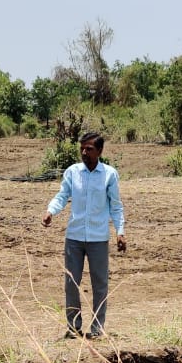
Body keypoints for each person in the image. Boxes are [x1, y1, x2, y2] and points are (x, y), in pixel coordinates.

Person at [42, 132, 126, 339]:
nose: (84, 152)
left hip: (98, 237)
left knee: (100, 284)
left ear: (99, 151)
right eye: (82, 148)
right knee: (71, 283)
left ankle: (97, 328)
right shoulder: (73, 172)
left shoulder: (109, 174)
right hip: (75, 236)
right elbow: (62, 195)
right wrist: (50, 211)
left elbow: (116, 206)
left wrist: (120, 232)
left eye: (89, 149)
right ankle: (73, 327)